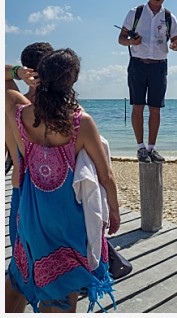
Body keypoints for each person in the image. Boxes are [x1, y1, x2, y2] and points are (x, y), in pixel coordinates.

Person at [4, 48, 121, 312]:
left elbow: (5, 82)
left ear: (40, 77)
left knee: (24, 279)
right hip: (69, 223)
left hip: (32, 220)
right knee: (62, 299)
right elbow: (106, 176)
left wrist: (17, 74)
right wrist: (113, 211)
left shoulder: (19, 114)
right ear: (72, 81)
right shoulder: (81, 123)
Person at [4, 43, 52, 313]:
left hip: (21, 192)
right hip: (43, 195)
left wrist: (15, 73)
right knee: (48, 274)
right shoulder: (37, 109)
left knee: (20, 271)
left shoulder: (11, 99)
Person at [117, 0, 177, 163]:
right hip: (137, 63)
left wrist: (176, 44)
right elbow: (121, 38)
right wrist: (131, 41)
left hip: (159, 66)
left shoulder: (169, 17)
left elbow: (176, 39)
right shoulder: (135, 13)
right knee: (138, 107)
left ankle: (152, 148)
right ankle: (140, 148)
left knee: (155, 109)